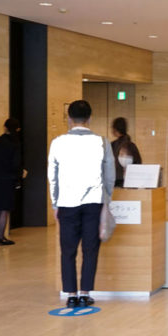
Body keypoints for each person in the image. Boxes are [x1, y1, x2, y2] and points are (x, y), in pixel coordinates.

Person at [48, 100, 115, 308]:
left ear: (69, 118)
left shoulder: (58, 142)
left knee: (67, 249)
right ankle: (85, 292)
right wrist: (107, 199)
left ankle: (70, 293)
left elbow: (53, 175)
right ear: (90, 119)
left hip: (67, 202)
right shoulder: (102, 142)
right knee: (90, 248)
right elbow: (109, 175)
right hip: (93, 202)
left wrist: (55, 204)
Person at [0, 118, 23, 245]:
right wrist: (20, 175)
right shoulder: (15, 144)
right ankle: (1, 237)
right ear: (17, 129)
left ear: (4, 127)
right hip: (8, 178)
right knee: (4, 209)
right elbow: (16, 163)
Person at [111, 117, 142, 187]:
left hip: (116, 181)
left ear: (115, 129)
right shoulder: (132, 145)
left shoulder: (113, 145)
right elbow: (138, 163)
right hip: (130, 181)